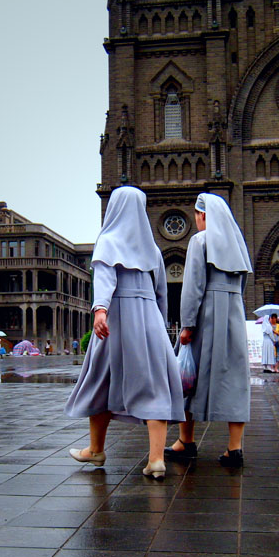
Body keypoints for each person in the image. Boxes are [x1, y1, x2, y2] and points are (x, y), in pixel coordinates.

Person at [64, 186, 185, 479]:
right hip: (150, 321)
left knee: (101, 381)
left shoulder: (108, 241)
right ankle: (156, 459)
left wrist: (101, 310)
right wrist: (159, 324)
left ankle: (95, 449)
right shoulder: (153, 250)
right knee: (154, 384)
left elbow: (104, 278)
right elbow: (161, 294)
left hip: (116, 321)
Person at [166, 192, 253, 468]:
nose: (196, 219)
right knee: (235, 378)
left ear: (203, 215)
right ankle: (234, 448)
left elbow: (192, 287)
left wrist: (187, 325)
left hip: (206, 317)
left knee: (186, 377)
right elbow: (242, 285)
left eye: (196, 214)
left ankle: (186, 441)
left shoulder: (199, 241)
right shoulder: (237, 244)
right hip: (233, 315)